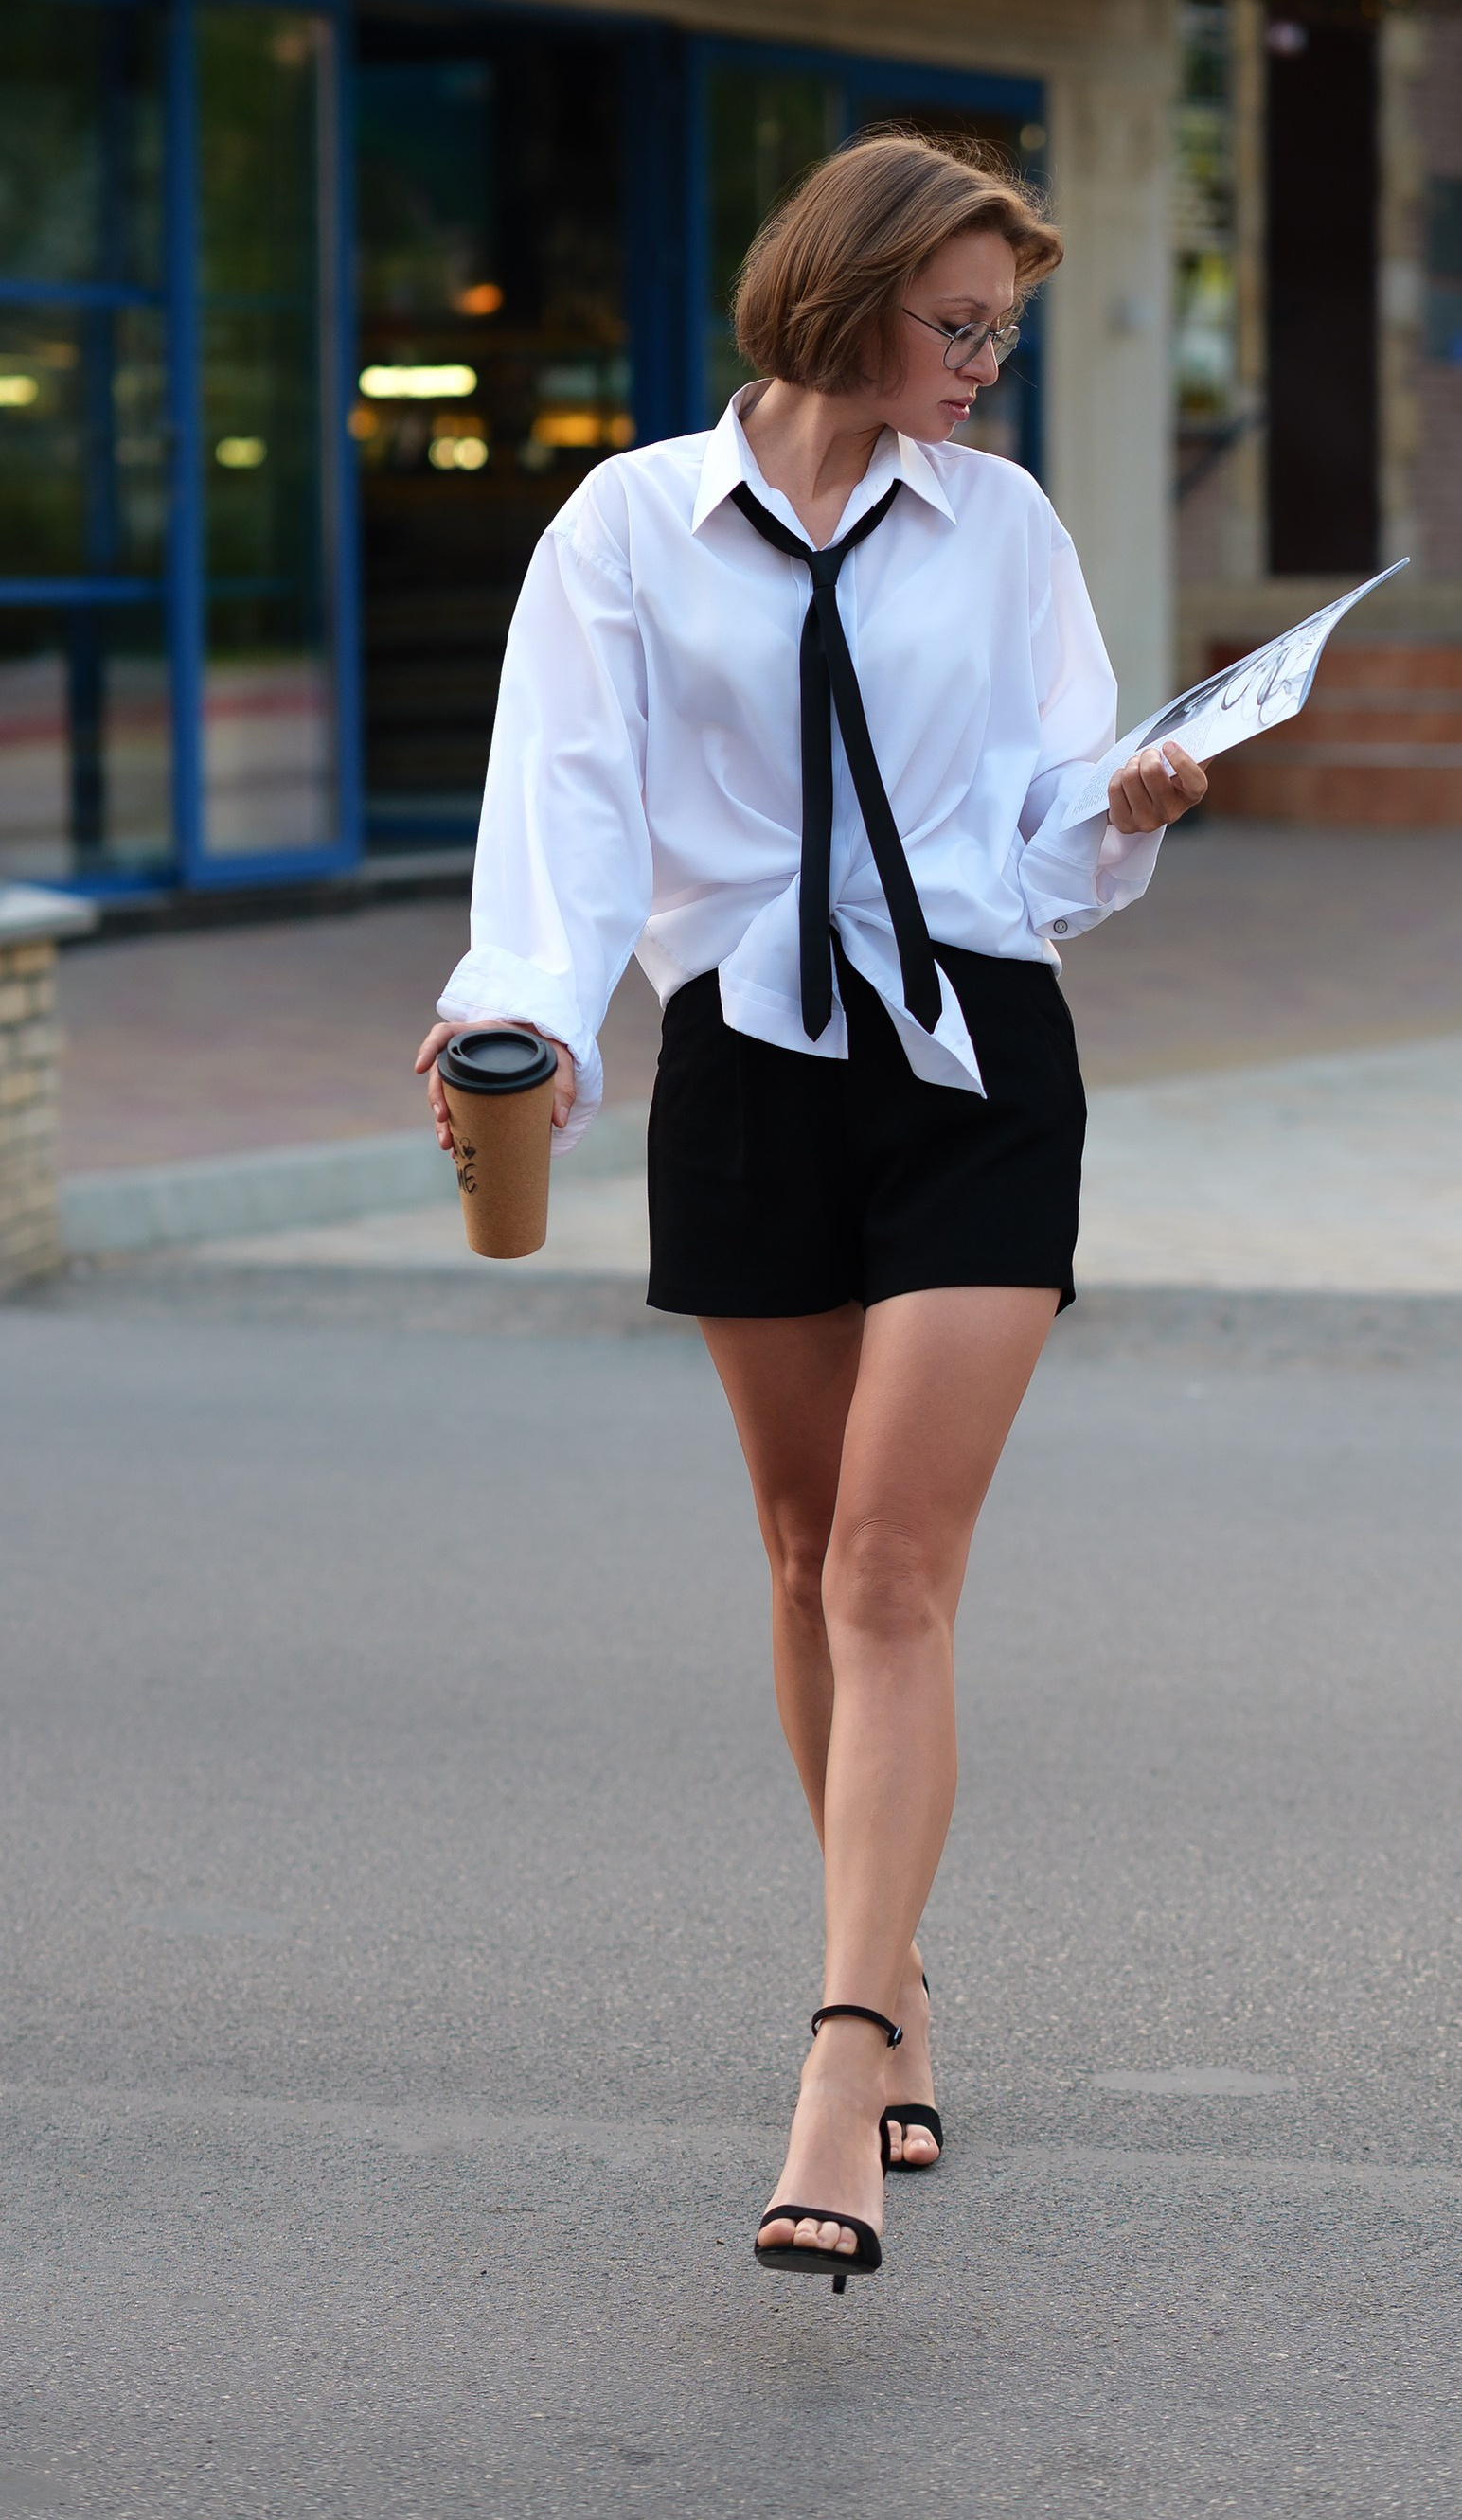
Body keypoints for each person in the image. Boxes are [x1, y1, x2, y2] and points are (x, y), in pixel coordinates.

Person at [413, 132, 1206, 2294]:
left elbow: (1039, 828)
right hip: (751, 1071)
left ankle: (838, 2058)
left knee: (886, 1558)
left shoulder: (1006, 528)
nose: (985, 365)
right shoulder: (627, 532)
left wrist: (1118, 799)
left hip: (972, 1064)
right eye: (958, 325)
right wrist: (527, 1018)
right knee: (791, 1549)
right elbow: (562, 816)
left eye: (1004, 332)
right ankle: (905, 1963)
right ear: (841, 301)